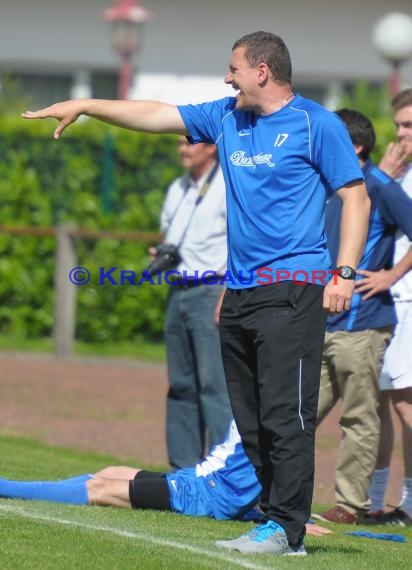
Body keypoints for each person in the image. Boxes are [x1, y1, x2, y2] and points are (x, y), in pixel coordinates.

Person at [22, 31, 370, 557]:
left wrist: (343, 274)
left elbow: (355, 196)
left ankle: (287, 531)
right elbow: (156, 114)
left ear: (262, 71)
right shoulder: (227, 116)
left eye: (233, 67)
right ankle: (271, 521)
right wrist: (87, 104)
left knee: (285, 416)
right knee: (250, 420)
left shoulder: (315, 123)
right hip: (240, 292)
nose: (226, 77)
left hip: (294, 289)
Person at [314, 109, 412, 525]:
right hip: (318, 320)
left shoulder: (381, 187)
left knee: (359, 416)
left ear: (354, 146)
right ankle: (274, 493)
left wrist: (391, 273)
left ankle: (350, 506)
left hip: (363, 322)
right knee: (297, 412)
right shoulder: (323, 184)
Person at [0, 418, 330, 537]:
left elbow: (284, 461)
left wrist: (288, 518)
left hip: (207, 493)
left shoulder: (275, 401)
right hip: (202, 480)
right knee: (112, 472)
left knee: (100, 489)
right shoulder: (255, 390)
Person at [153, 136, 232, 468]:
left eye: (189, 143)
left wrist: (227, 294)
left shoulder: (227, 185)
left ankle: (223, 467)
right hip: (178, 289)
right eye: (181, 143)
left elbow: (241, 247)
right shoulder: (178, 188)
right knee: (181, 383)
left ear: (211, 147)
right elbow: (167, 237)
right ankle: (183, 468)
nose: (182, 149)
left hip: (212, 290)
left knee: (215, 384)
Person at [362, 89, 412, 527]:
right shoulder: (398, 170)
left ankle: (409, 504)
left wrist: (391, 275)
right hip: (387, 302)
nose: (400, 133)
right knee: (377, 399)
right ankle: (375, 501)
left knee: (404, 403)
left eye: (409, 125)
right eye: (398, 125)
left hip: (407, 298)